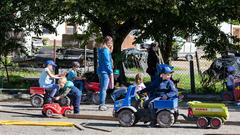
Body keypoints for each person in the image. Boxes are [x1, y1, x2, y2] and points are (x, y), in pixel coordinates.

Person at [97, 36, 113, 111]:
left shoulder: (101, 49)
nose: (111, 43)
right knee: (104, 89)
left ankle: (102, 104)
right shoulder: (105, 50)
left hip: (101, 71)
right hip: (105, 72)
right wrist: (111, 72)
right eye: (111, 42)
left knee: (102, 88)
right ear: (108, 42)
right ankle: (102, 105)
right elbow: (107, 63)